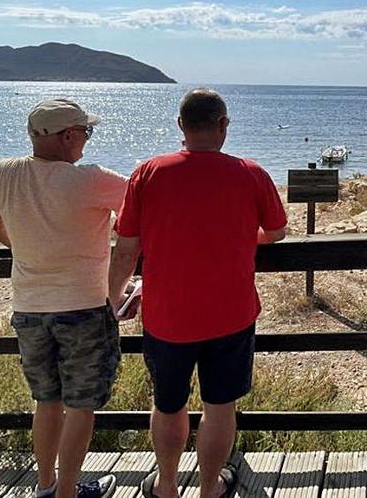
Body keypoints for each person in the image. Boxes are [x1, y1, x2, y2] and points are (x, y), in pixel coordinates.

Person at [108, 89, 287, 498]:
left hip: (166, 316)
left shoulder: (148, 172)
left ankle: (166, 485)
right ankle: (210, 487)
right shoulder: (251, 173)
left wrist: (113, 299)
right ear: (223, 125)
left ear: (181, 127)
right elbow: (275, 232)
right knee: (220, 407)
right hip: (231, 313)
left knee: (168, 406)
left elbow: (127, 248)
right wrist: (246, 237)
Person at [0, 98, 127, 498]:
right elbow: (141, 212)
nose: (87, 143)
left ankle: (45, 486)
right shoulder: (92, 180)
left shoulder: (2, 172)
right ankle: (68, 493)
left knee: (46, 401)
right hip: (84, 308)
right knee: (80, 406)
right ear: (69, 136)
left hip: (28, 307)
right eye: (86, 134)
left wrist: (29, 250)